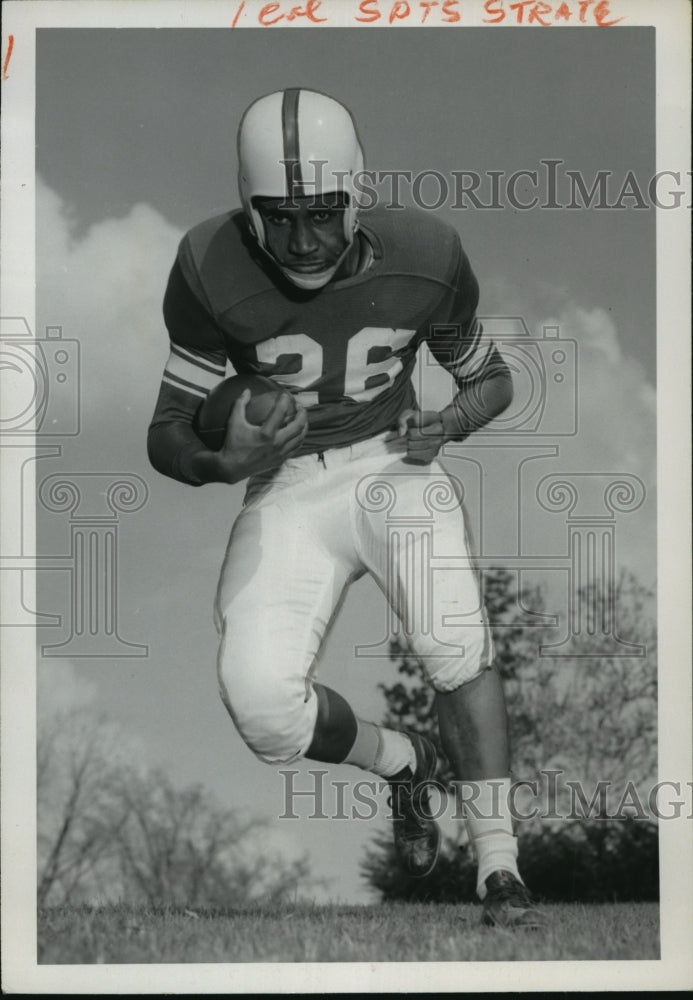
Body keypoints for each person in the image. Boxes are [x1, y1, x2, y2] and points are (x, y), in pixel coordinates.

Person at [148, 88, 544, 929]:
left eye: (322, 213)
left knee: (454, 640)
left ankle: (499, 867)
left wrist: (450, 421)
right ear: (246, 209)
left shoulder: (425, 254)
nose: (302, 239)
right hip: (286, 485)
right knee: (260, 707)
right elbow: (166, 429)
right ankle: (404, 763)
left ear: (356, 196)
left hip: (391, 465)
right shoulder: (206, 264)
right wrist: (224, 462)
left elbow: (493, 379)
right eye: (278, 216)